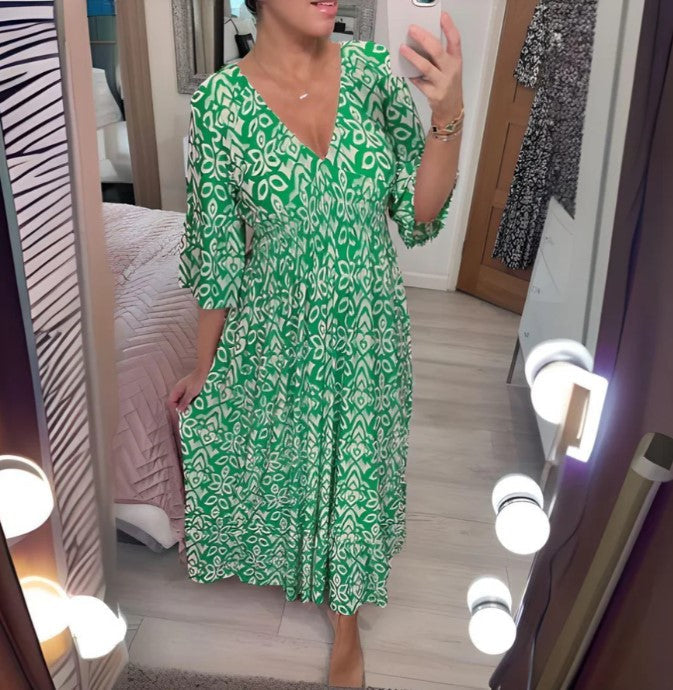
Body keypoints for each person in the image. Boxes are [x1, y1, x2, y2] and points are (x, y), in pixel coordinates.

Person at [169, 0, 463, 686]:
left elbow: (418, 215)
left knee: (355, 470)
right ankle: (306, 565)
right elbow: (216, 256)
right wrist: (204, 368)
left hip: (367, 327)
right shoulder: (219, 105)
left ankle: (346, 621)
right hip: (278, 327)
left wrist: (448, 117)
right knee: (298, 461)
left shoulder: (371, 75)